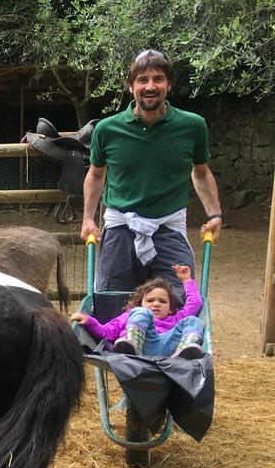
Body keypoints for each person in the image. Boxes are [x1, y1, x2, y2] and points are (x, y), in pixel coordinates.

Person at [80, 49, 223, 301]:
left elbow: (200, 173)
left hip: (168, 228)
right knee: (111, 302)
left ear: (169, 85)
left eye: (158, 79)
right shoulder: (107, 129)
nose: (150, 86)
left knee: (179, 302)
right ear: (130, 86)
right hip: (120, 229)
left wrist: (214, 214)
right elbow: (96, 175)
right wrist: (88, 219)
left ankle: (180, 340)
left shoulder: (192, 126)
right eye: (142, 80)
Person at [71, 264, 205, 358]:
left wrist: (187, 281)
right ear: (140, 303)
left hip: (170, 349)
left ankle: (186, 350)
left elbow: (196, 303)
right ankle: (131, 345)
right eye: (150, 300)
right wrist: (89, 321)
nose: (156, 304)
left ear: (170, 309)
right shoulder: (131, 315)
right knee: (142, 313)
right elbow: (107, 331)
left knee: (193, 321)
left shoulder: (175, 319)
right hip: (141, 346)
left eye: (162, 301)